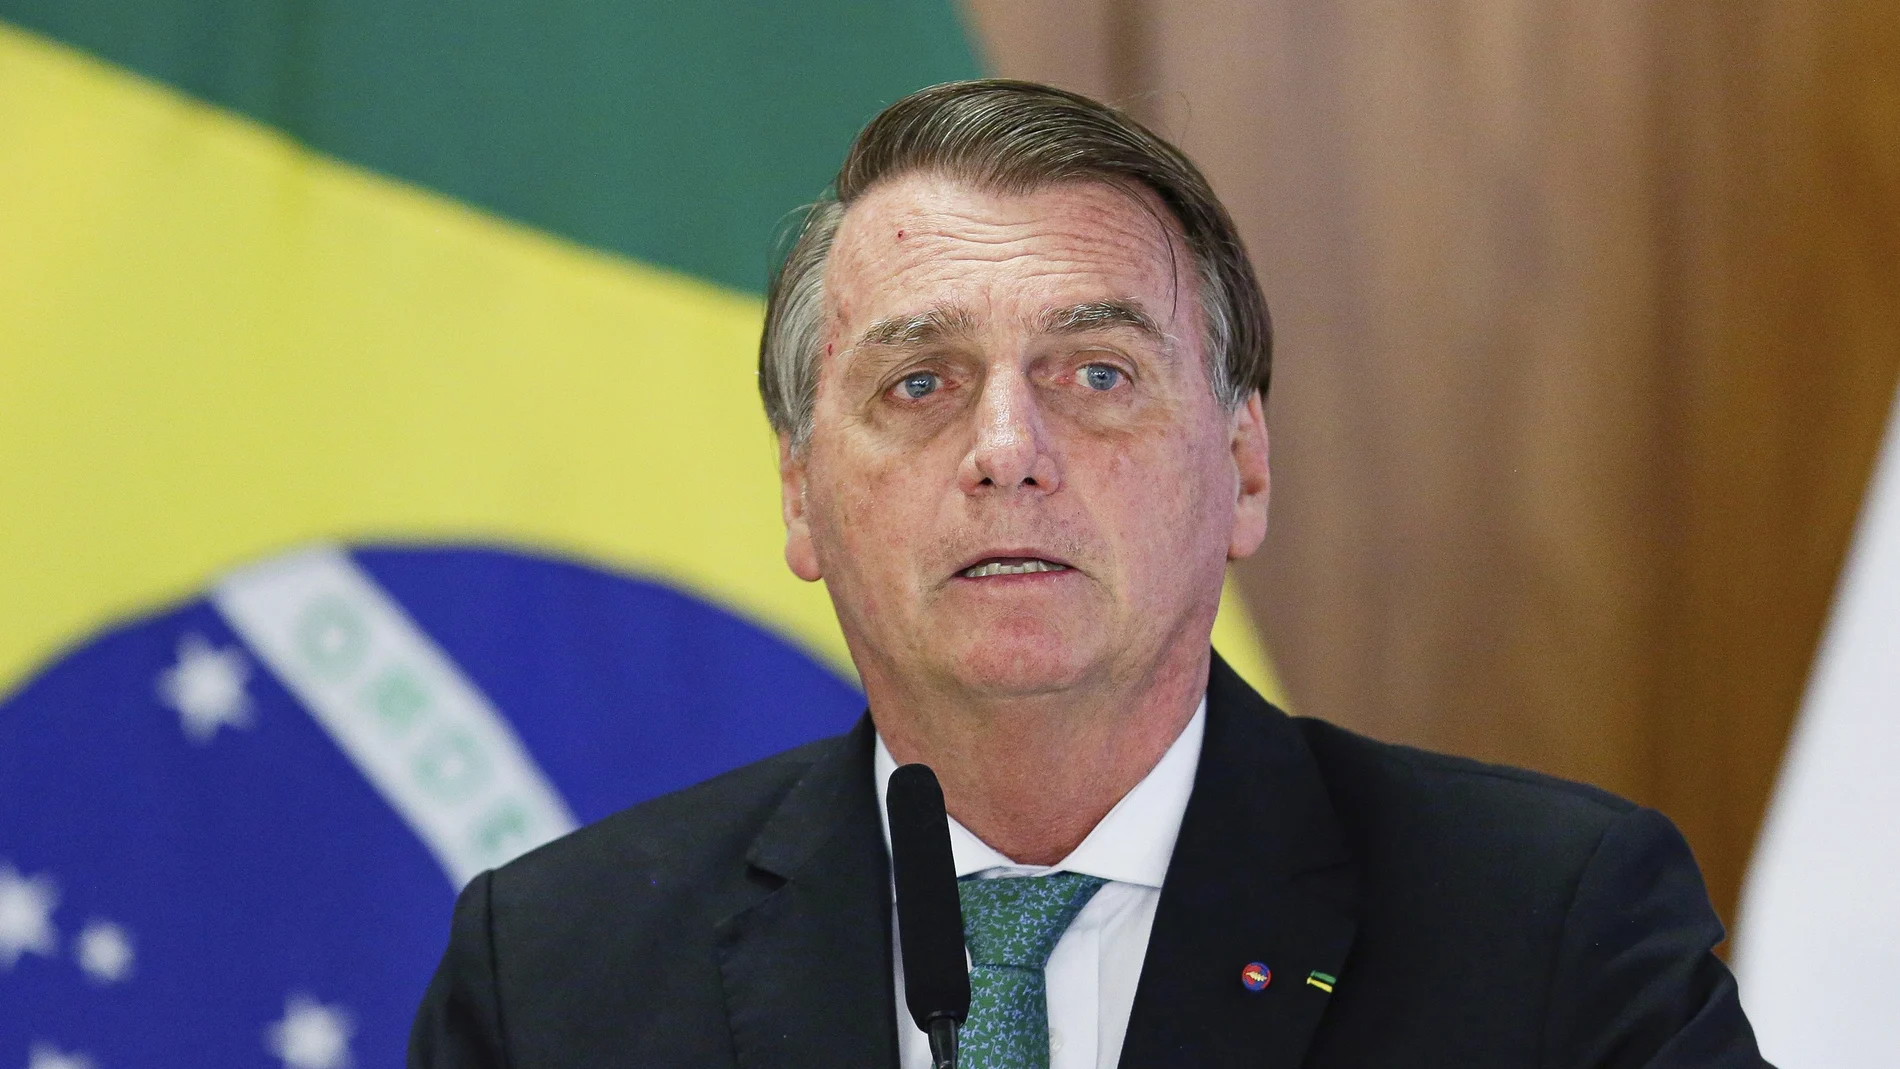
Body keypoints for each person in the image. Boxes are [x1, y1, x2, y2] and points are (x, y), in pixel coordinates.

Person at [409, 79, 1767, 1068]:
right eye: (922, 381)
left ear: (1242, 469)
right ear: (801, 495)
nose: (1008, 450)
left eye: (1099, 374)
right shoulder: (556, 977)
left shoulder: (1549, 929)